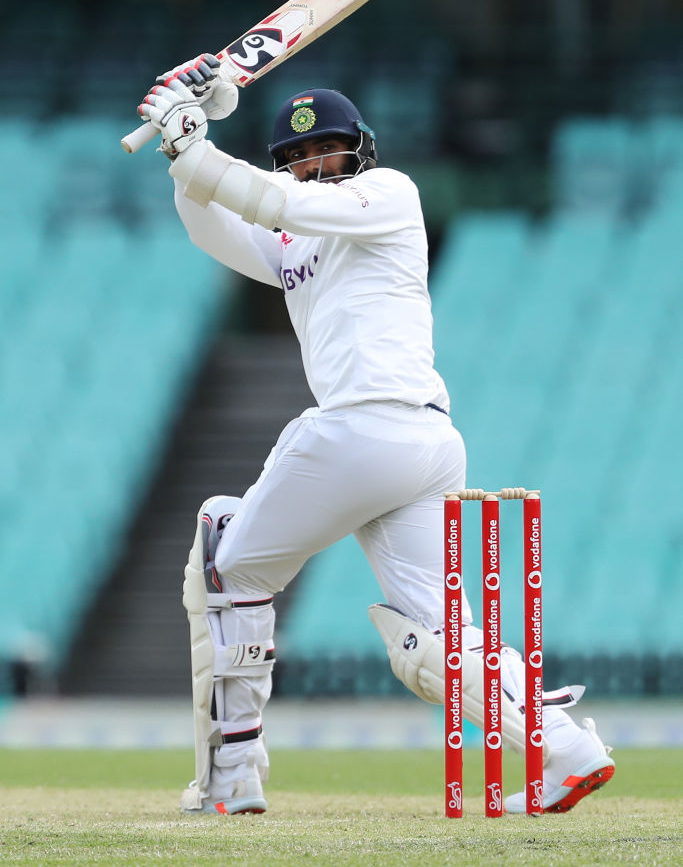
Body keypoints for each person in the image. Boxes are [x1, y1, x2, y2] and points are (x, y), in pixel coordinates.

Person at [137, 55, 615, 816]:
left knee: (225, 565)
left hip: (362, 430)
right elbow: (214, 226)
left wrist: (196, 144)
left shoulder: (389, 195)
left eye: (322, 150)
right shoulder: (296, 241)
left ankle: (229, 781)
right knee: (436, 635)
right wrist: (179, 151)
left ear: (359, 149)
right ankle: (565, 747)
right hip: (421, 446)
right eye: (295, 157)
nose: (310, 166)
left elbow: (260, 198)